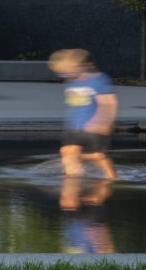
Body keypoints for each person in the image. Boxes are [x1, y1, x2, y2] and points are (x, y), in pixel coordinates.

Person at [49, 48, 118, 182]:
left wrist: (104, 122)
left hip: (95, 126)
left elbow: (109, 103)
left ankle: (112, 178)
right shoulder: (71, 82)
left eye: (69, 72)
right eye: (62, 74)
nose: (66, 76)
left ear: (83, 66)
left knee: (96, 156)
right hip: (74, 126)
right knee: (67, 153)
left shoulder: (99, 81)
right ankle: (72, 184)